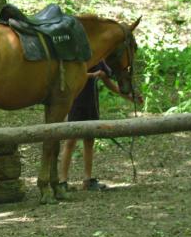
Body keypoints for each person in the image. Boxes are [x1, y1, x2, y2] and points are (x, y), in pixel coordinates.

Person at [59, 61, 142, 191]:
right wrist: (92, 75)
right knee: (70, 141)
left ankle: (87, 180)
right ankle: (62, 182)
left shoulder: (100, 60)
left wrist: (129, 97)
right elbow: (69, 76)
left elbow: (109, 84)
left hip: (91, 104)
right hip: (75, 103)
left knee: (89, 141)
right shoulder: (78, 58)